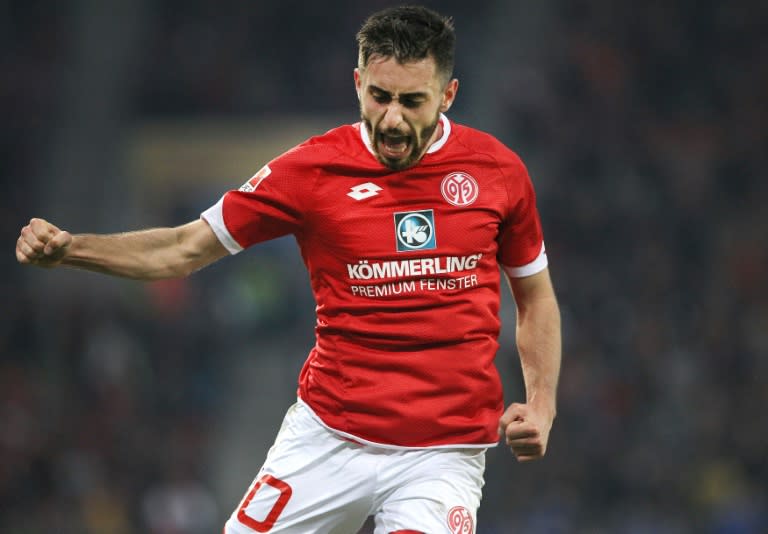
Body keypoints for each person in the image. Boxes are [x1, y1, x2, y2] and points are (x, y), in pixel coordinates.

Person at [15, 5, 561, 534]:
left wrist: (541, 405)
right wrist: (72, 249)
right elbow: (182, 249)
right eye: (379, 97)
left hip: (442, 453)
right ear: (356, 83)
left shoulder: (497, 172)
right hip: (328, 439)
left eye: (413, 102)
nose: (392, 118)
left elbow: (534, 298)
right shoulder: (311, 171)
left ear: (448, 95)